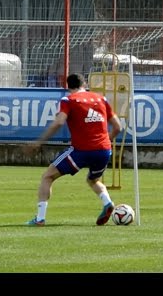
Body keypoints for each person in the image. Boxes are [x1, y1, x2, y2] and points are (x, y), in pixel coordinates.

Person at [24, 73, 123, 226]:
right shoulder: (101, 99)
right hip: (104, 150)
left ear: (67, 86)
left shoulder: (68, 100)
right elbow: (118, 127)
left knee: (47, 177)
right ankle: (107, 202)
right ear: (85, 84)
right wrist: (103, 142)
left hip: (81, 151)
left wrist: (39, 142)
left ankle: (40, 219)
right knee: (93, 180)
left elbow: (59, 122)